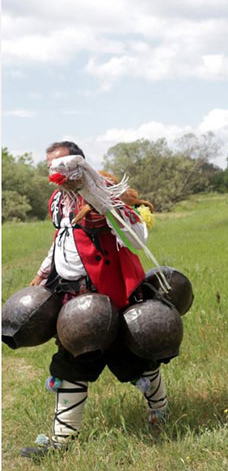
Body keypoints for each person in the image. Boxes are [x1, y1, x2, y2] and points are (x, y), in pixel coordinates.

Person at [21, 141, 169, 458]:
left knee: (137, 359)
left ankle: (161, 413)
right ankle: (62, 441)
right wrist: (43, 271)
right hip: (72, 297)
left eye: (63, 163)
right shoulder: (57, 202)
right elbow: (61, 240)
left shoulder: (106, 194)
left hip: (111, 294)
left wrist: (98, 199)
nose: (56, 172)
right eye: (51, 165)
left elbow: (135, 238)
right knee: (70, 363)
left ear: (80, 164)